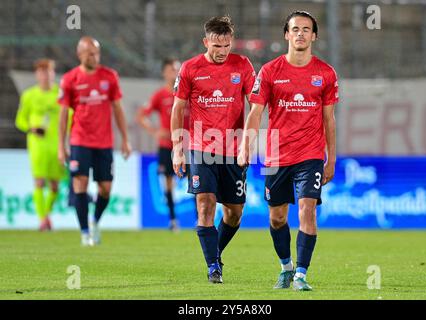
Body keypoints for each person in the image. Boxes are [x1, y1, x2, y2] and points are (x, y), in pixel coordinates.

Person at [238, 11, 339, 291]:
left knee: (308, 210)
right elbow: (255, 111)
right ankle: (286, 267)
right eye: (295, 29)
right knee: (277, 217)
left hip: (311, 154)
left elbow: (329, 120)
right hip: (276, 155)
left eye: (306, 30)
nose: (301, 34)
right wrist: (246, 145)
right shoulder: (270, 71)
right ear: (286, 34)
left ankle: (301, 275)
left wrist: (331, 158)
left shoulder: (325, 73)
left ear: (314, 36)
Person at [171, 16, 256, 283]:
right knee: (205, 203)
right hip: (200, 147)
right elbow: (178, 108)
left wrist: (247, 144)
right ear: (205, 41)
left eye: (226, 46)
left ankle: (215, 252)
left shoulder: (242, 65)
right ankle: (213, 267)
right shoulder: (190, 68)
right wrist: (178, 148)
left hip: (232, 150)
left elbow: (256, 105)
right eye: (216, 46)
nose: (222, 52)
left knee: (234, 211)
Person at [58, 36, 132, 246]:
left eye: (97, 53)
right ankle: (84, 233)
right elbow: (63, 115)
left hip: (104, 143)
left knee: (105, 188)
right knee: (80, 183)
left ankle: (94, 222)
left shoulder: (109, 76)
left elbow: (118, 109)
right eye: (90, 53)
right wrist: (61, 146)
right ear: (80, 54)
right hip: (79, 140)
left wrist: (125, 139)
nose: (95, 57)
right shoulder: (70, 79)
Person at [15, 59, 66, 231]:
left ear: (53, 73)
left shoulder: (60, 93)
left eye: (48, 72)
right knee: (38, 181)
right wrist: (31, 128)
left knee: (54, 186)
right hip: (37, 145)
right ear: (37, 75)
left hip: (56, 144)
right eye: (42, 72)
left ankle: (47, 214)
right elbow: (20, 120)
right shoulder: (29, 95)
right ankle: (43, 219)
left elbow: (70, 116)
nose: (45, 75)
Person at [136, 58, 184, 232]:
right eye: (172, 69)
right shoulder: (160, 95)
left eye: (177, 69)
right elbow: (141, 115)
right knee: (168, 182)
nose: (175, 72)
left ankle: (200, 221)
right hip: (166, 146)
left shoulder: (187, 93)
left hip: (186, 145)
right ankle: (173, 220)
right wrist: (155, 131)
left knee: (196, 182)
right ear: (164, 72)